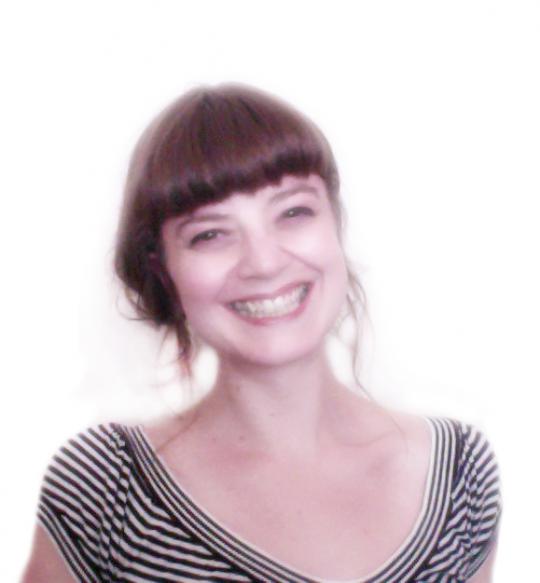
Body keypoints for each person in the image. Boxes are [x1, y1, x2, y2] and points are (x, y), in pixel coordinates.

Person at [22, 84, 501, 582]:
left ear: (336, 224)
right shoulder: (106, 485)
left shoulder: (460, 473)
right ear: (164, 271)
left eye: (293, 212)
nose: (264, 262)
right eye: (210, 234)